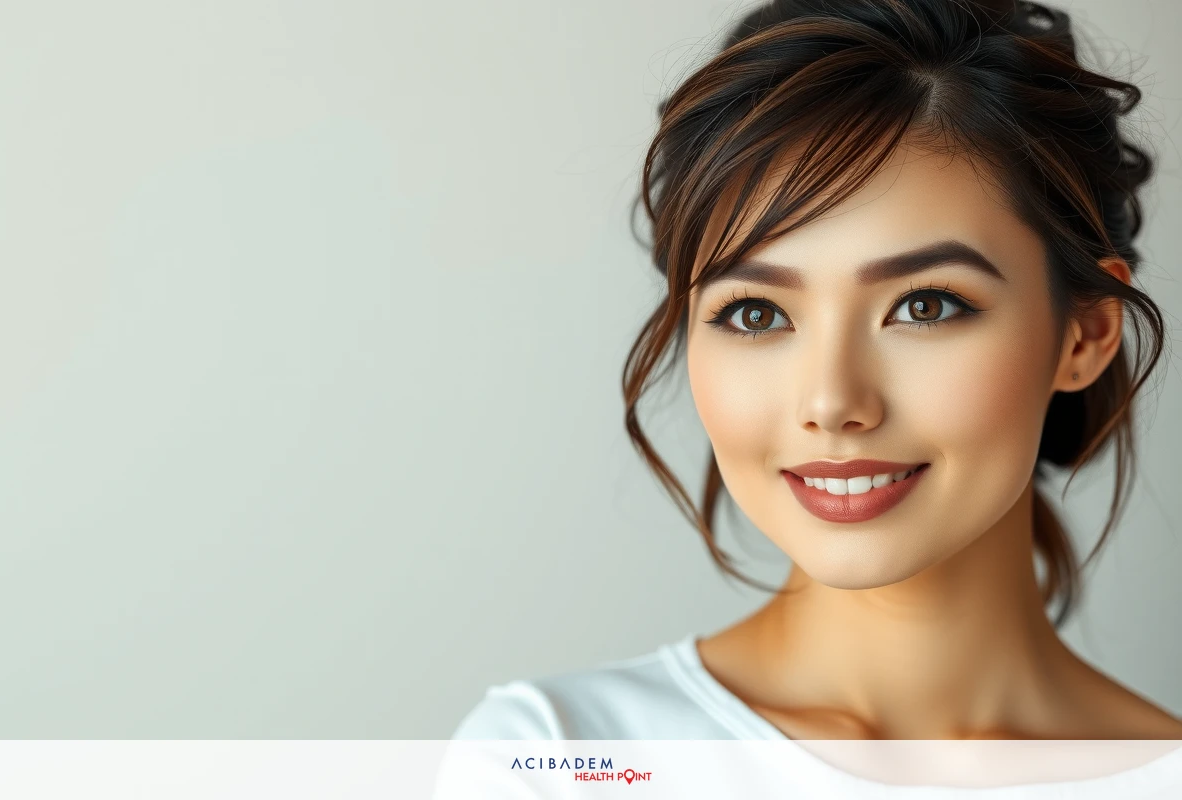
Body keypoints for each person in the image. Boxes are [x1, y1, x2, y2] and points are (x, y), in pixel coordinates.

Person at [442, 0, 1182, 794]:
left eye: (924, 306)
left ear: (1086, 334)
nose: (832, 401)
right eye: (756, 314)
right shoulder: (559, 759)